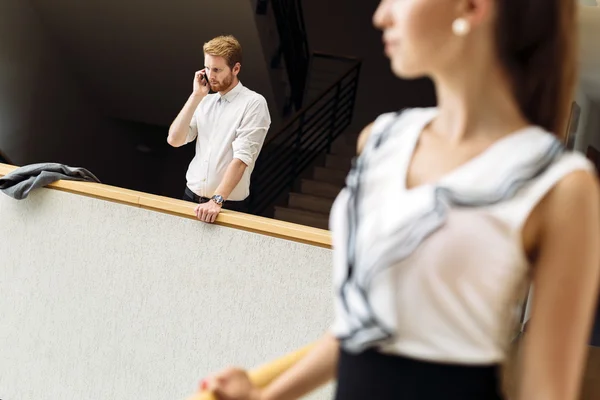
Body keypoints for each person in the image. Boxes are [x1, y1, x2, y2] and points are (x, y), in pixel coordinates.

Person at [199, 0, 600, 399]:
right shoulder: (381, 140)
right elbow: (366, 325)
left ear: (473, 7)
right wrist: (264, 395)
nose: (380, 15)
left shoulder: (559, 186)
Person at [168, 35, 271, 223]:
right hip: (190, 198)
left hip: (225, 207)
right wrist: (196, 96)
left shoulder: (254, 103)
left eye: (217, 69)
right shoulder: (204, 101)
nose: (210, 75)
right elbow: (174, 140)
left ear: (236, 68)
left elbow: (242, 159)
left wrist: (217, 200)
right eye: (207, 68)